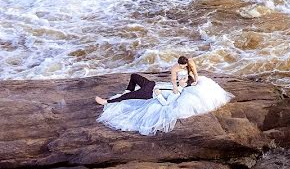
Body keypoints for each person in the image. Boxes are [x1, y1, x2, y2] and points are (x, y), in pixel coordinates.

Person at [95, 55, 233, 135]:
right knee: (134, 76)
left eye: (184, 79)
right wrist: (163, 85)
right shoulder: (176, 84)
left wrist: (159, 94)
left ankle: (107, 102)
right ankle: (128, 89)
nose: (182, 78)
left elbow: (166, 104)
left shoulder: (178, 92)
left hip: (151, 92)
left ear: (186, 85)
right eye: (182, 78)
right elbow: (176, 78)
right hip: (153, 83)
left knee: (128, 97)